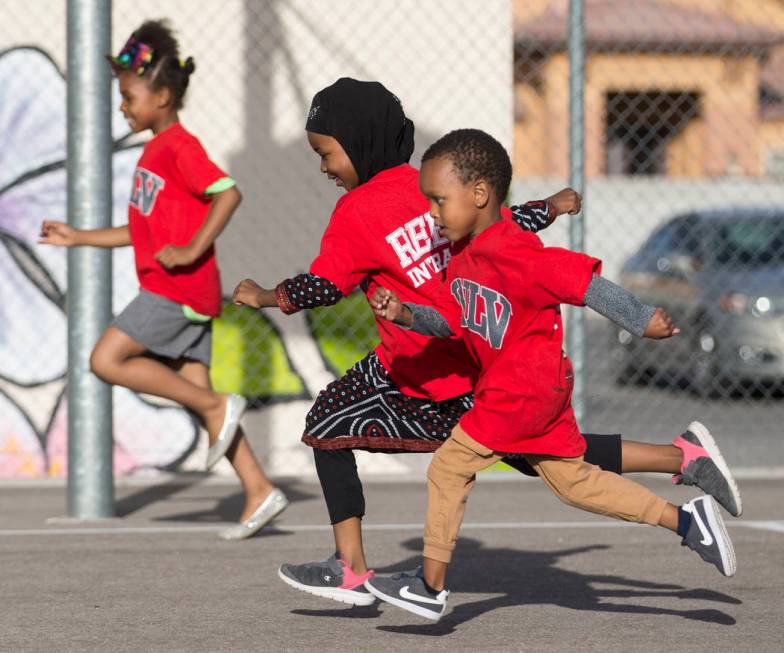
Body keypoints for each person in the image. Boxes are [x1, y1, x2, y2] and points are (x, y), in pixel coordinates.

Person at [231, 78, 740, 606]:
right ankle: (682, 460)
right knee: (548, 457)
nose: (324, 168)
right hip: (473, 359)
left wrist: (267, 295)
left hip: (432, 370)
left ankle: (374, 574)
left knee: (342, 428)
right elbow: (501, 219)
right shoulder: (436, 187)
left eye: (326, 153)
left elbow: (325, 286)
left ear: (357, 141)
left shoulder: (359, 213)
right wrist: (547, 208)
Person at [364, 129, 737, 621]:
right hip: (534, 393)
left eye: (438, 200)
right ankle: (688, 523)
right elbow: (456, 320)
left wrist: (641, 319)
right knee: (573, 483)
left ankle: (429, 586)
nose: (432, 213)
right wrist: (408, 315)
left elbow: (583, 282)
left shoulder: (515, 254)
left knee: (449, 467)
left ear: (479, 194)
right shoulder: (462, 259)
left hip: (519, 392)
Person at [39, 19, 287, 540]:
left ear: (164, 95)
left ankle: (219, 409)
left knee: (105, 359)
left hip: (176, 291)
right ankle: (259, 489)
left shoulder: (178, 146)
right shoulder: (153, 152)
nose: (123, 106)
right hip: (184, 292)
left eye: (129, 97)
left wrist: (194, 247)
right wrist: (78, 236)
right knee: (204, 402)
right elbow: (140, 230)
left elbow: (228, 193)